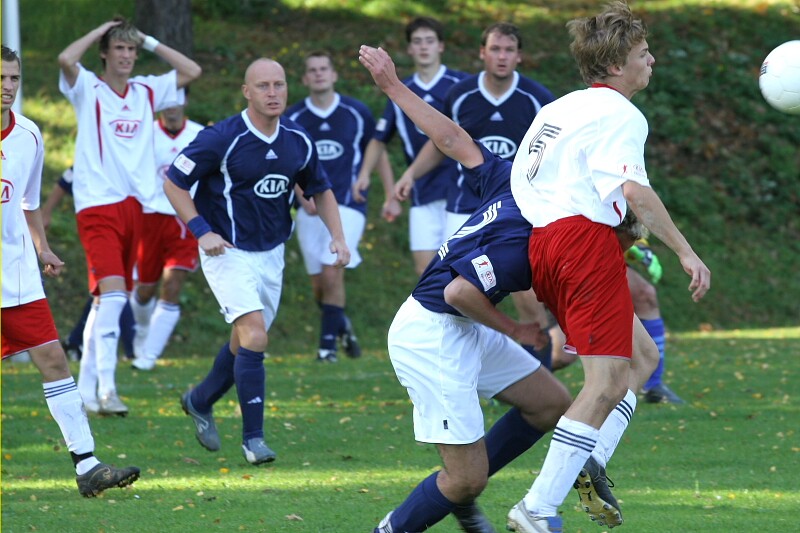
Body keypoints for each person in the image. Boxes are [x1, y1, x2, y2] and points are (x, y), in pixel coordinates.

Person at [506, 3, 711, 532]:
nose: (652, 61)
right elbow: (635, 191)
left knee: (642, 358)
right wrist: (685, 251)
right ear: (617, 65)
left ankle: (588, 458)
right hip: (581, 244)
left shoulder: (558, 109)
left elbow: (526, 178)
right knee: (606, 382)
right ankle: (536, 509)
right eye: (643, 53)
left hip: (545, 244)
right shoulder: (621, 114)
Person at [359, 43, 571, 533]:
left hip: (464, 324)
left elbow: (452, 138)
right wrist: (516, 329)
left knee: (549, 403)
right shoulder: (522, 234)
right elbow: (459, 293)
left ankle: (462, 487)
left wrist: (393, 86)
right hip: (432, 331)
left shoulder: (514, 182)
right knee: (464, 478)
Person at [164, 58, 350, 466]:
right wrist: (201, 230)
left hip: (272, 253)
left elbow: (320, 189)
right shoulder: (221, 137)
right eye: (263, 86)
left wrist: (338, 236)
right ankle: (254, 440)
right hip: (226, 250)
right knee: (255, 336)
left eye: (279, 84)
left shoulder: (297, 140)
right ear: (246, 92)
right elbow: (174, 182)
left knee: (245, 340)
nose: (272, 93)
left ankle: (199, 399)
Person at [1, 44, 140, 497]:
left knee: (54, 359)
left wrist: (42, 247)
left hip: (15, 274)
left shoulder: (28, 135)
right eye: (1, 78)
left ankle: (87, 465)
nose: (8, 87)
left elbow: (28, 201)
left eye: (14, 78)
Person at [58, 17, 202, 415]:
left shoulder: (146, 90)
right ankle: (108, 390)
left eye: (131, 50)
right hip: (97, 205)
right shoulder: (89, 87)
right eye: (119, 48)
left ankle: (86, 391)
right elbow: (66, 59)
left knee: (108, 300)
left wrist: (149, 40)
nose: (126, 56)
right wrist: (99, 29)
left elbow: (192, 70)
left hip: (136, 205)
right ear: (105, 54)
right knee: (114, 296)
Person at [395, 22, 556, 367]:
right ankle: (453, 358)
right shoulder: (461, 94)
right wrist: (411, 173)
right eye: (495, 49)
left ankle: (537, 364)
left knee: (523, 291)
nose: (502, 56)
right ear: (482, 53)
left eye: (509, 50)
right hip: (465, 206)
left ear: (520, 56)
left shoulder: (538, 99)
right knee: (452, 286)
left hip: (515, 209)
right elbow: (445, 141)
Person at [286, 51, 391, 362]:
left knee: (333, 271)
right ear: (305, 79)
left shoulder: (356, 112)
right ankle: (342, 326)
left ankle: (327, 349)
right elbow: (285, 161)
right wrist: (300, 194)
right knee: (319, 284)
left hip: (348, 202)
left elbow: (378, 150)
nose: (319, 74)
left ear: (333, 75)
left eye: (324, 68)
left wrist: (388, 192)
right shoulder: (293, 118)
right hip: (309, 208)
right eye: (312, 70)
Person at [355, 16, 466, 276]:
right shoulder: (400, 90)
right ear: (409, 49)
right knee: (426, 273)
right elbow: (379, 138)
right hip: (421, 191)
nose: (424, 46)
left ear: (441, 46)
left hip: (461, 191)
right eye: (417, 41)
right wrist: (364, 174)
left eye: (430, 41)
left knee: (462, 272)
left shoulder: (461, 85)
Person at [128, 99, 204, 371]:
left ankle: (148, 357)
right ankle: (142, 329)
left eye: (177, 97)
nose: (172, 104)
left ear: (185, 100)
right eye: (167, 98)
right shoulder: (143, 132)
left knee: (172, 284)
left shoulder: (199, 134)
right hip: (148, 216)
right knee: (144, 290)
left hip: (184, 217)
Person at [40, 167, 137, 364]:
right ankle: (132, 349)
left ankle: (76, 341)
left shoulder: (134, 159)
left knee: (109, 290)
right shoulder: (92, 156)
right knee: (113, 289)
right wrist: (46, 212)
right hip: (100, 223)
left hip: (131, 221)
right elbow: (67, 178)